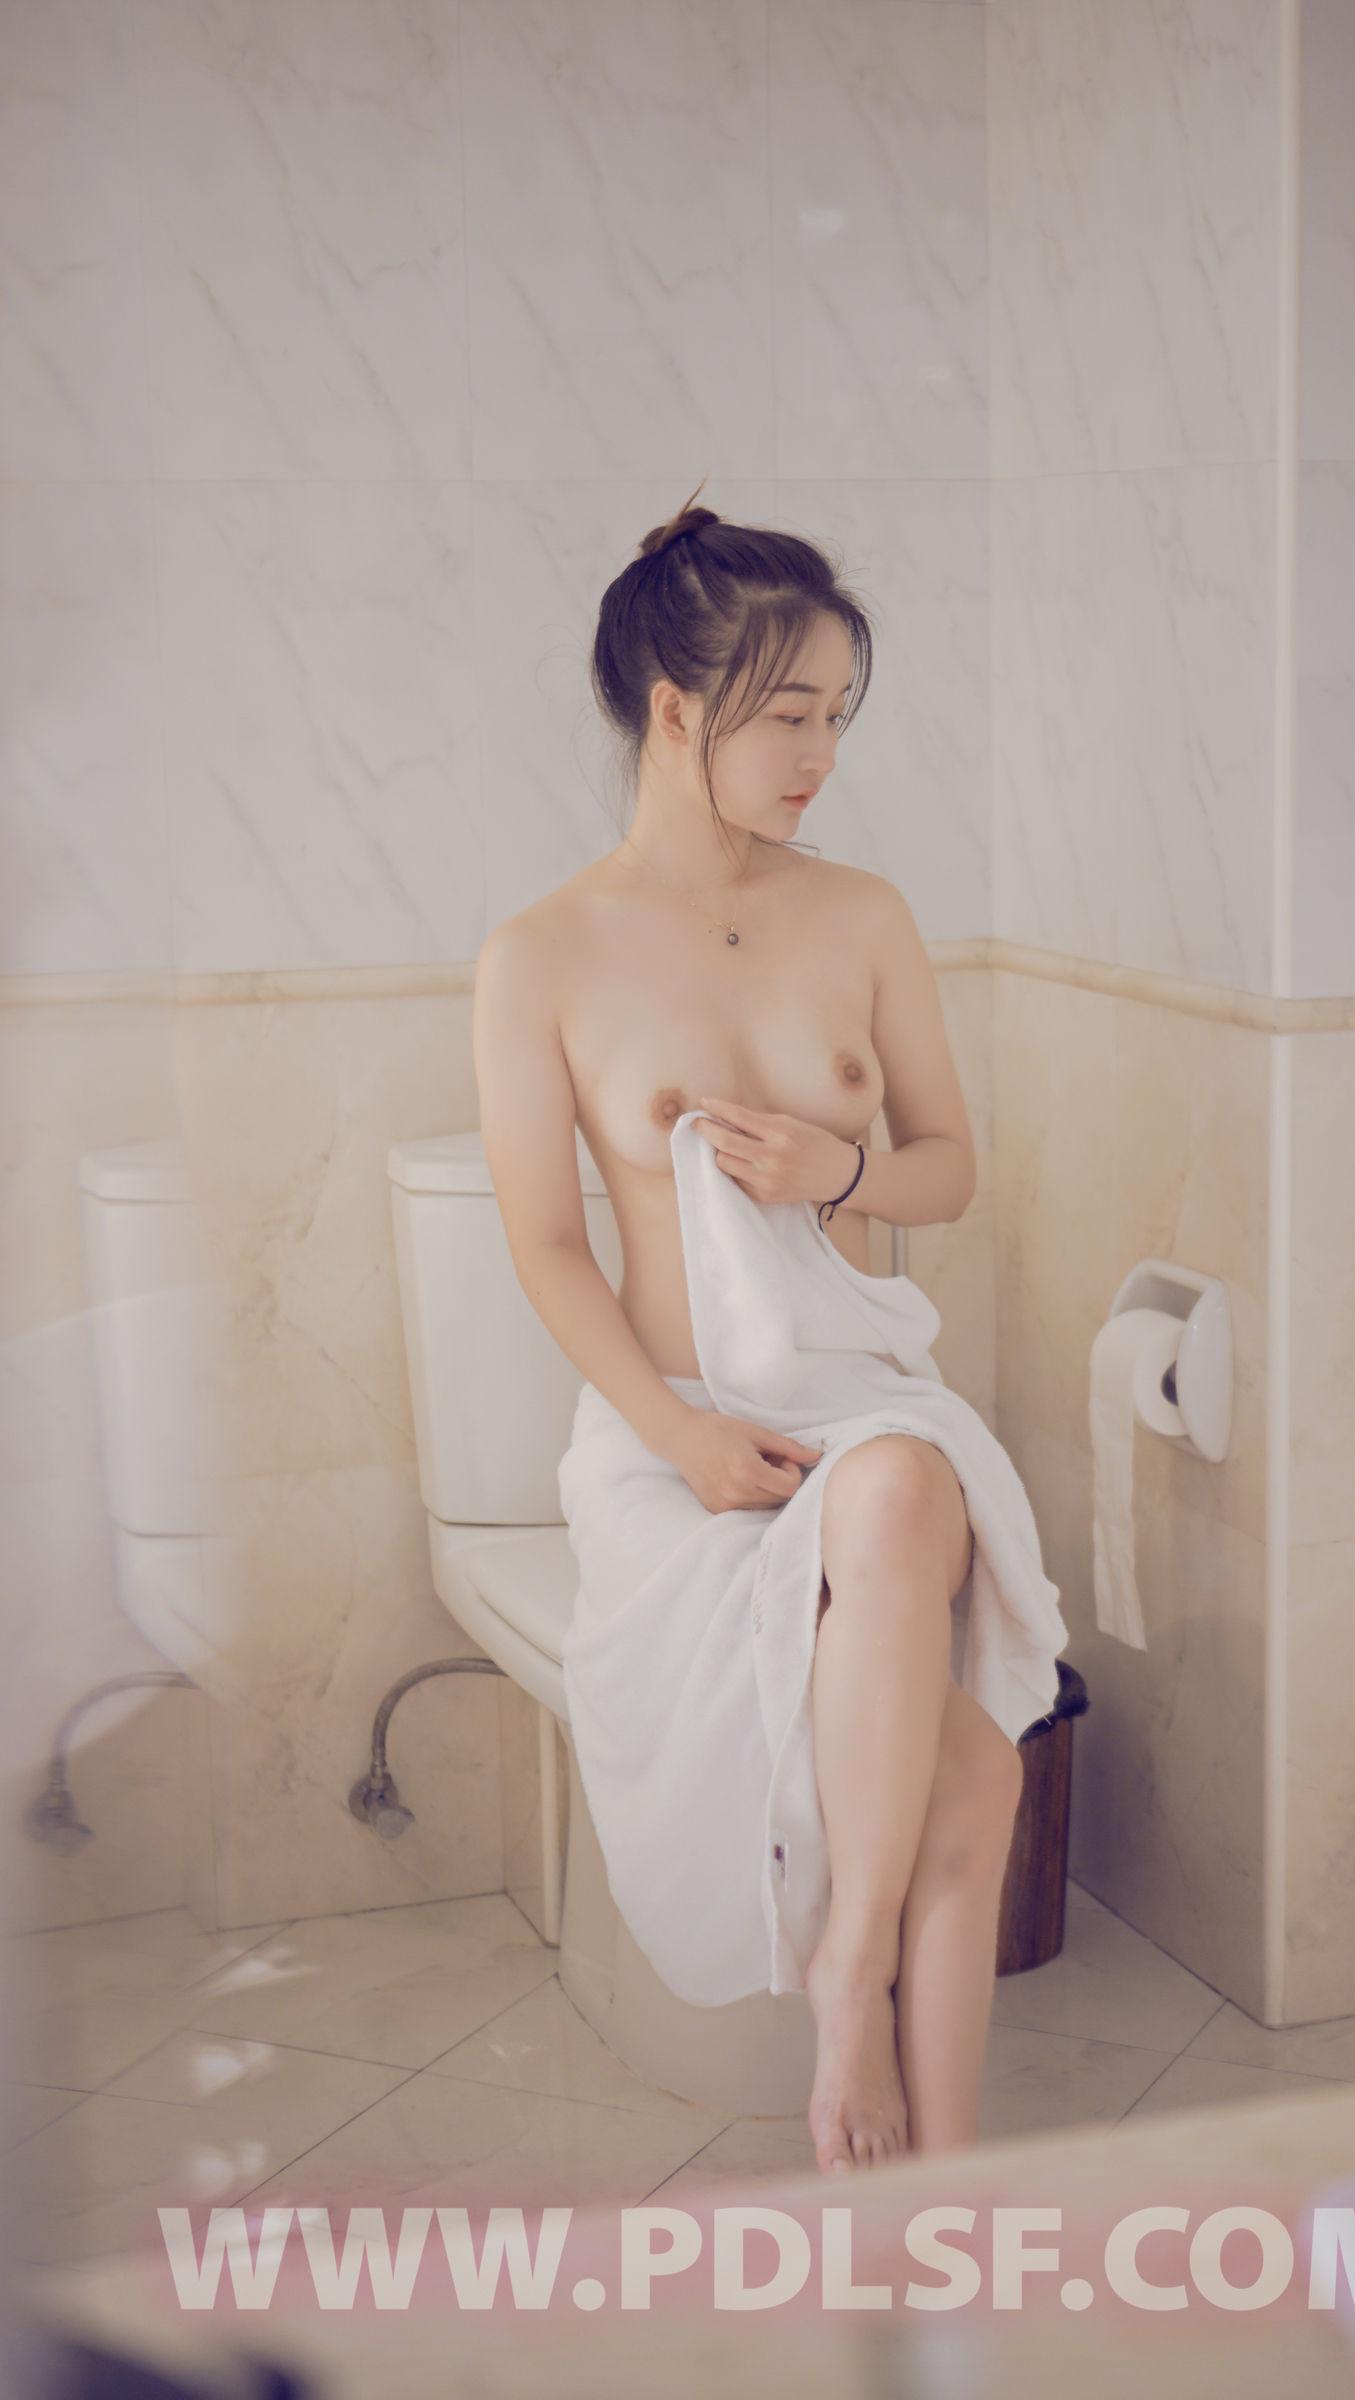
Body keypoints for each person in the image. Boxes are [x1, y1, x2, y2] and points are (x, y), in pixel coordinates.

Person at [472, 483, 1030, 2173]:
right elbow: (548, 1246)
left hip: (861, 1401)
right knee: (977, 1782)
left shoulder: (861, 914)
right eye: (790, 714)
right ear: (674, 710)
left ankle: (850, 1982)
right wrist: (685, 1437)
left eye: (840, 715)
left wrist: (839, 1167)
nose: (822, 755)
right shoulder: (541, 955)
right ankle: (931, 2190)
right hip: (680, 1431)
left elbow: (949, 1168)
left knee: (900, 1488)